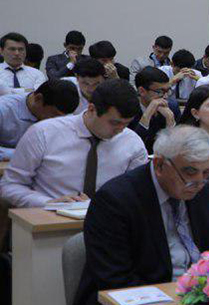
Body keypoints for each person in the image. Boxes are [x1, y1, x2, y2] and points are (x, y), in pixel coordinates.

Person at [62, 126, 209, 305]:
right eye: (190, 173)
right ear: (160, 165)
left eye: (207, 173)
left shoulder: (206, 192)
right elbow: (115, 279)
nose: (198, 183)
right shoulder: (116, 199)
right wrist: (181, 301)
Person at [0, 79, 147, 207]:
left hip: (108, 222)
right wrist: (47, 203)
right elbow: (10, 186)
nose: (120, 130)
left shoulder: (132, 143)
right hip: (49, 223)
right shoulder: (44, 133)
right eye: (115, 123)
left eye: (126, 124)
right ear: (91, 109)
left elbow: (139, 193)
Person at [0, 80, 79, 153]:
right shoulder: (3, 109)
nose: (57, 120)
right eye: (54, 114)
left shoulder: (62, 113)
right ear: (38, 98)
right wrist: (24, 154)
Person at [129, 67, 176, 152]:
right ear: (142, 91)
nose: (165, 96)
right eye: (160, 92)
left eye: (167, 91)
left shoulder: (171, 107)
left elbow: (175, 149)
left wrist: (170, 122)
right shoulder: (127, 110)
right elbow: (131, 147)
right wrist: (147, 114)